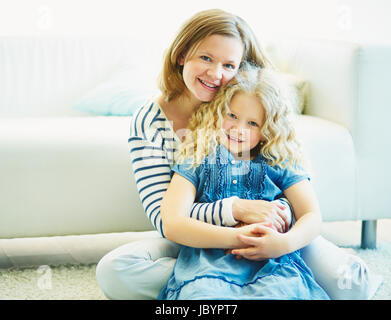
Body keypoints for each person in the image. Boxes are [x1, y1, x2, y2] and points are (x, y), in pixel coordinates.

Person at [96, 8, 372, 300]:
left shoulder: (258, 104)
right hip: (196, 239)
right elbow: (166, 220)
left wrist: (273, 220)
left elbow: (302, 194)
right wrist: (237, 212)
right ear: (181, 55)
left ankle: (251, 281)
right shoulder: (154, 123)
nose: (216, 74)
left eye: (229, 65)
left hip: (271, 237)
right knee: (115, 270)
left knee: (353, 282)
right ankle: (219, 282)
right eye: (205, 58)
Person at [159, 65, 329, 299]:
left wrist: (283, 244)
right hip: (207, 269)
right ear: (217, 112)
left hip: (274, 267)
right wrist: (240, 237)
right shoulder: (197, 157)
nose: (239, 129)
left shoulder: (278, 160)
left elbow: (312, 215)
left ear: (268, 128)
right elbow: (173, 223)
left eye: (252, 123)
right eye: (232, 116)